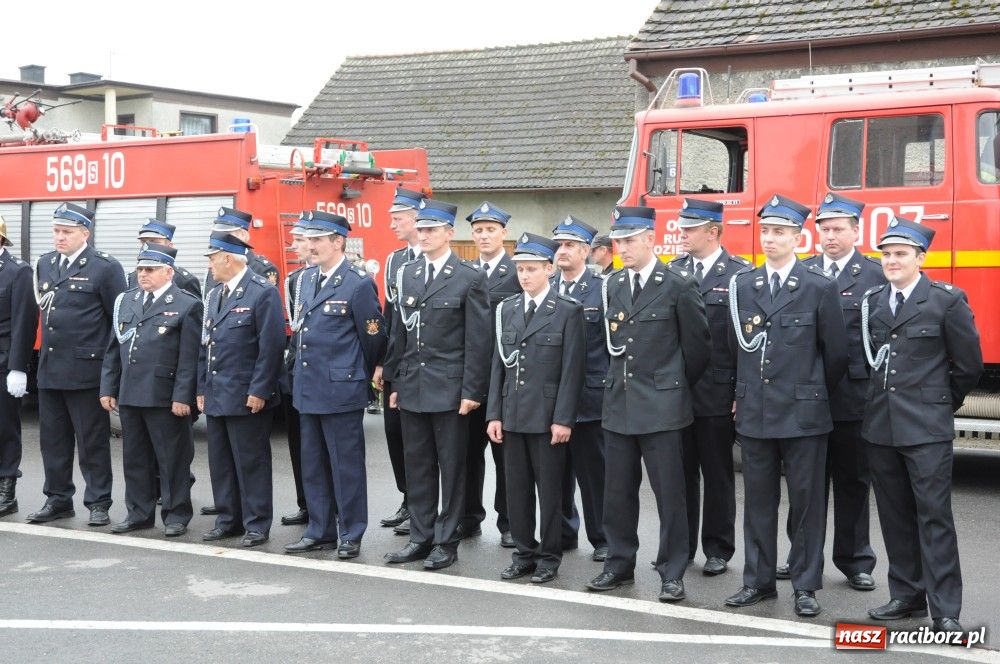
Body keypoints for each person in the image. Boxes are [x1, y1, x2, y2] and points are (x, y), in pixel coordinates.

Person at [724, 194, 848, 618]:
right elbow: (733, 350)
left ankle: (805, 585)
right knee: (757, 502)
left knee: (807, 504)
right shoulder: (744, 284)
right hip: (756, 412)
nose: (771, 239)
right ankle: (757, 581)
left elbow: (834, 355)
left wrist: (809, 392)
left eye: (779, 232)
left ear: (798, 236)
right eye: (766, 231)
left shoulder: (819, 286)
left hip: (803, 414)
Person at [861, 216, 982, 634]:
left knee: (934, 518)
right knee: (894, 515)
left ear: (920, 257)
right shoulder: (874, 300)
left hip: (926, 428)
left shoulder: (946, 300)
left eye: (900, 254)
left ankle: (946, 609)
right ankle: (907, 594)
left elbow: (968, 366)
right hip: (880, 426)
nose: (892, 261)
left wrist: (938, 405)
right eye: (887, 254)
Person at [585, 205, 711, 603]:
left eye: (629, 240)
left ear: (650, 239)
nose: (621, 248)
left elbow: (697, 349)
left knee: (670, 495)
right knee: (617, 492)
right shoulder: (614, 284)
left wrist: (670, 387)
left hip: (663, 407)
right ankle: (619, 564)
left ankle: (672, 570)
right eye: (617, 241)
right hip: (620, 403)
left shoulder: (677, 283)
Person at [776, 193, 884, 591]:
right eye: (824, 229)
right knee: (805, 485)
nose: (831, 236)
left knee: (854, 480)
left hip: (853, 397)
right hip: (805, 398)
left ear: (856, 231)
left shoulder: (874, 276)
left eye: (839, 228)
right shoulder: (800, 272)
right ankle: (801, 555)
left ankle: (855, 560)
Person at [382, 199, 490, 571]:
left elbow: (478, 341)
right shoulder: (408, 274)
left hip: (450, 389)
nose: (425, 235)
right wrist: (395, 380)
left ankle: (447, 540)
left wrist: (472, 391)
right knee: (418, 467)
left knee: (453, 468)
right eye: (422, 229)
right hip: (413, 386)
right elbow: (400, 335)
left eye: (432, 230)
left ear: (448, 233)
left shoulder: (469, 277)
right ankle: (420, 536)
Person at [284, 212, 386, 558]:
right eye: (307, 239)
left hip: (341, 391)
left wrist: (356, 374)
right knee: (313, 464)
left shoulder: (357, 283)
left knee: (346, 466)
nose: (309, 246)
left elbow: (372, 338)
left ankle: (351, 532)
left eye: (317, 240)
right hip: (309, 388)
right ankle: (320, 529)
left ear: (338, 242)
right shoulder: (307, 279)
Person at [487, 233, 584, 583]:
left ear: (548, 269)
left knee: (551, 491)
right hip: (513, 415)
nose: (524, 276)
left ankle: (549, 557)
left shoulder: (567, 311)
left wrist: (563, 419)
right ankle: (524, 552)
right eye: (520, 270)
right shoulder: (507, 309)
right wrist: (494, 413)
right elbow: (499, 365)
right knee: (517, 490)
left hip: (547, 419)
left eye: (531, 269)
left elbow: (572, 371)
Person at [26, 203, 127, 526]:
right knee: (53, 441)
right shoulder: (44, 263)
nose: (59, 237)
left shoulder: (104, 268)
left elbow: (118, 323)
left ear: (85, 233)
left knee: (91, 442)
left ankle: (98, 501)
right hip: (51, 368)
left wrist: (113, 375)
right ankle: (58, 498)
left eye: (66, 232)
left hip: (87, 371)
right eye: (56, 231)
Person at [668, 198, 749, 576]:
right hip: (677, 391)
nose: (681, 233)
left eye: (690, 228)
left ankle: (718, 549)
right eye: (681, 227)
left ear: (713, 232)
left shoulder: (738, 275)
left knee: (717, 474)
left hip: (718, 390)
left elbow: (744, 341)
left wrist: (738, 392)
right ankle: (680, 547)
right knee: (680, 474)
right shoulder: (673, 270)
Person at [99, 245, 201, 537]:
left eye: (150, 269)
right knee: (135, 458)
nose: (143, 274)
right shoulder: (127, 301)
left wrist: (183, 396)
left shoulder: (186, 304)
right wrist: (108, 386)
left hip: (164, 395)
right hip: (131, 393)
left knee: (172, 459)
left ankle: (176, 514)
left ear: (168, 271)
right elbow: (113, 348)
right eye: (140, 269)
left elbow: (189, 357)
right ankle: (139, 513)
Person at [197, 231, 285, 547]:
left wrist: (260, 390)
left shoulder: (262, 292)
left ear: (228, 258)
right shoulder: (215, 295)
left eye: (211, 258)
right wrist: (201, 386)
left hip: (246, 393)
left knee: (251, 461)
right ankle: (228, 519)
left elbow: (271, 346)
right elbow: (205, 346)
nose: (209, 265)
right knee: (220, 462)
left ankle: (257, 523)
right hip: (218, 391)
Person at [550, 215, 609, 562]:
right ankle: (562, 533)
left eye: (570, 245)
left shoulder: (602, 289)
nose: (562, 252)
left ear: (586, 251)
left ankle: (602, 538)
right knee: (556, 473)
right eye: (559, 245)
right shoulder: (548, 286)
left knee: (594, 474)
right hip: (552, 397)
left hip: (589, 398)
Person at [461, 201, 520, 547]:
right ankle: (469, 519)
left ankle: (509, 523)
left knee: (506, 458)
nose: (484, 235)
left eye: (490, 230)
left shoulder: (517, 272)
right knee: (468, 454)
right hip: (471, 378)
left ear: (503, 233)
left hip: (507, 379)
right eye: (479, 230)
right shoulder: (466, 272)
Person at [372, 187, 427, 535]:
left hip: (428, 364)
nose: (392, 223)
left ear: (418, 219)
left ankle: (428, 506)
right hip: (398, 361)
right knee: (395, 433)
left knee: (425, 440)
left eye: (398, 217)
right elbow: (391, 316)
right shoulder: (395, 260)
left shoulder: (436, 258)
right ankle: (408, 499)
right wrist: (381, 363)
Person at [277, 215, 313, 527]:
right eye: (295, 239)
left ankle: (327, 507)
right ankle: (306, 503)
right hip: (295, 369)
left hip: (322, 376)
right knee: (297, 443)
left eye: (300, 240)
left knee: (322, 449)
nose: (295, 245)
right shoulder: (292, 280)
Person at [0, 216, 35, 517]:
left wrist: (18, 366)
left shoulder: (17, 272)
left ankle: (7, 488)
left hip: (3, 364)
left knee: (4, 428)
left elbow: (24, 321)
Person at [202, 207, 279, 292]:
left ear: (243, 235)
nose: (220, 238)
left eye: (226, 234)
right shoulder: (215, 267)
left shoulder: (262, 269)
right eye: (217, 233)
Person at [126, 219, 201, 298]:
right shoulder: (133, 277)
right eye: (143, 242)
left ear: (169, 246)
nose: (147, 247)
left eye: (154, 242)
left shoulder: (184, 280)